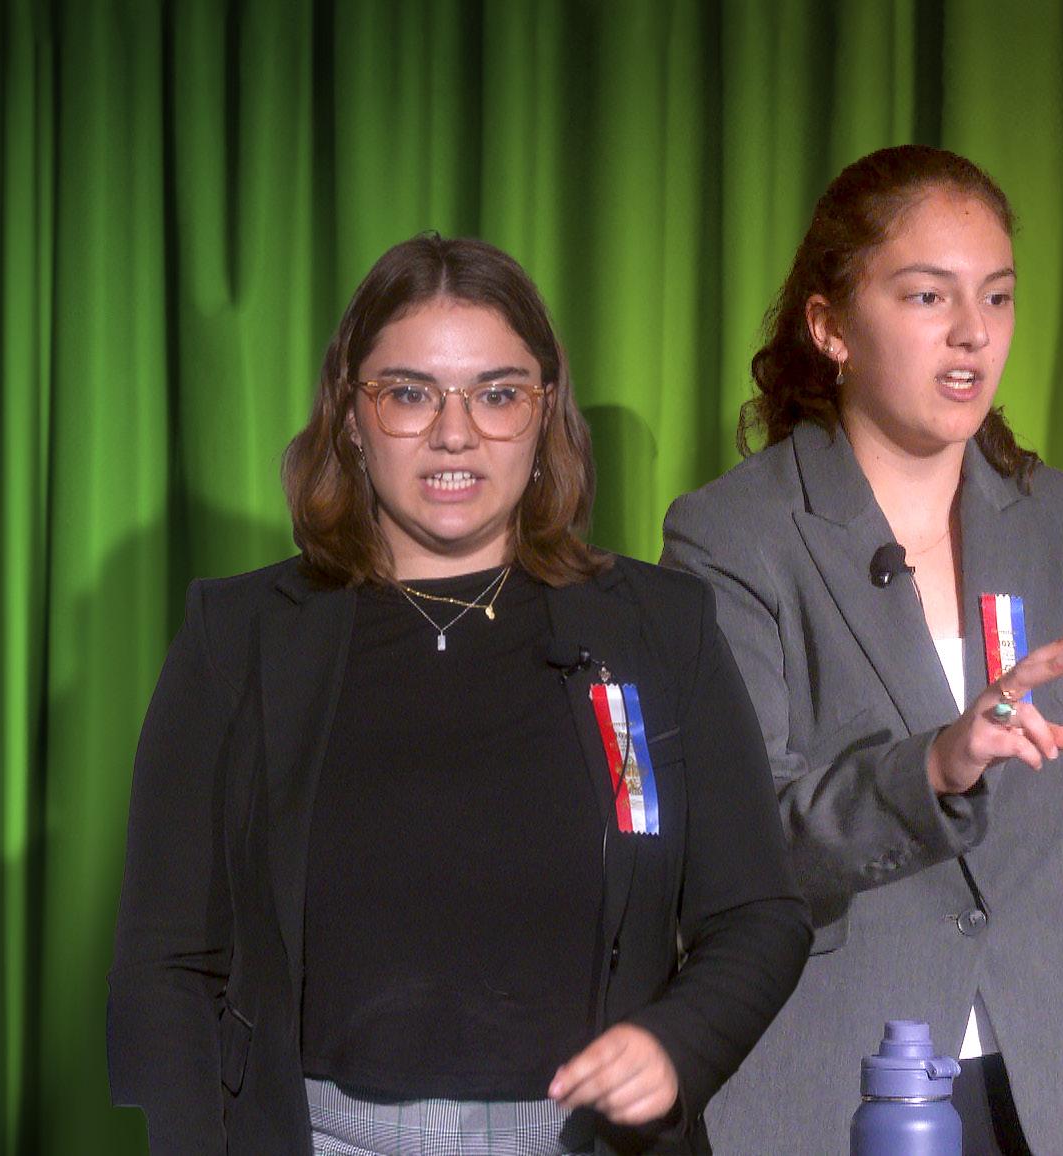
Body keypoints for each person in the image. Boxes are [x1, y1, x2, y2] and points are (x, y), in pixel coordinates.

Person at [108, 234, 810, 1155]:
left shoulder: (659, 629)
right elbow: (165, 964)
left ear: (545, 413)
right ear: (350, 416)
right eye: (409, 393)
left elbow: (759, 915)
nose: (455, 432)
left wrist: (678, 1044)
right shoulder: (237, 639)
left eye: (498, 394)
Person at [661, 146, 1063, 1154]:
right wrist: (933, 770)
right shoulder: (733, 535)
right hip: (827, 1090)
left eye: (996, 296)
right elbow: (738, 849)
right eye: (926, 296)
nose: (972, 333)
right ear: (830, 327)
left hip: (1042, 1094)